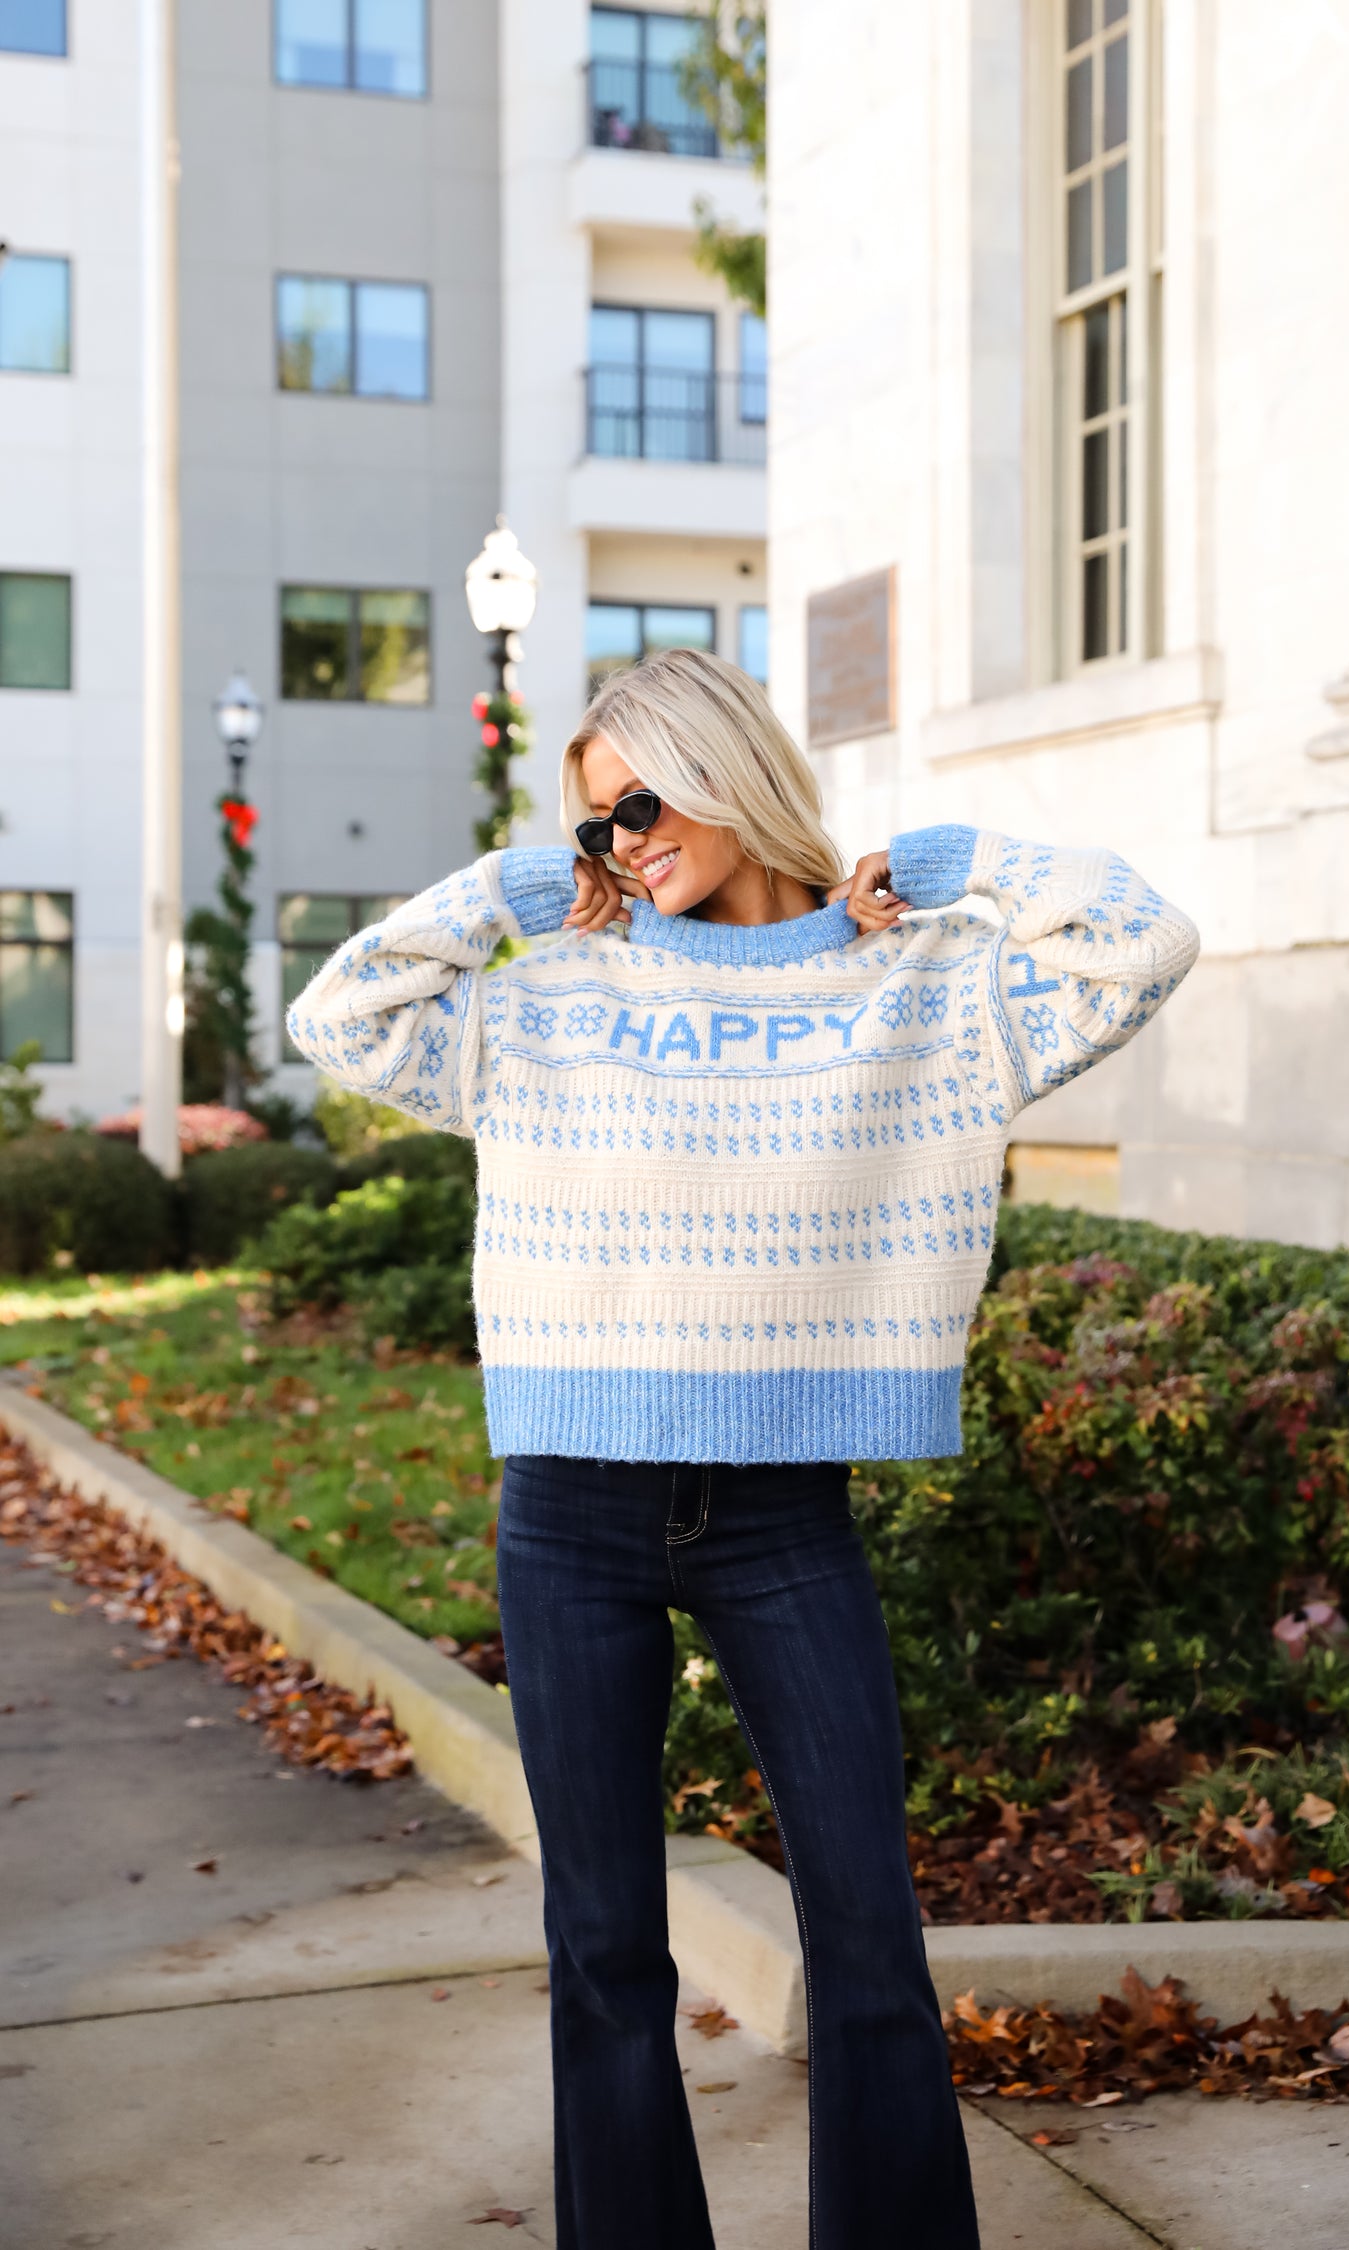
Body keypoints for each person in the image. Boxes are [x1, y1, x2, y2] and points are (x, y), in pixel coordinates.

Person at [287, 647, 1199, 2250]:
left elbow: (1145, 943)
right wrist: (511, 886)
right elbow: (340, 1011)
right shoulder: (557, 983)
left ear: (723, 768)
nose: (621, 843)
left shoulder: (914, 981)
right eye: (593, 823)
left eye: (638, 802)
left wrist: (946, 865)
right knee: (605, 1949)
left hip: (785, 1519)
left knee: (867, 1936)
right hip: (570, 1515)